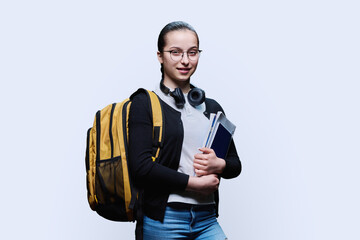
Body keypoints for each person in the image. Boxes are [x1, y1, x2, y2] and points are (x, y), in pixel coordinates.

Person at [128, 21, 241, 240]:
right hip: (164, 219)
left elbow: (235, 164)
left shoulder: (212, 108)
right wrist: (194, 184)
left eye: (192, 52)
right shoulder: (144, 103)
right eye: (175, 52)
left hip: (207, 218)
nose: (185, 60)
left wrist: (220, 164)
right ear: (160, 56)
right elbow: (140, 167)